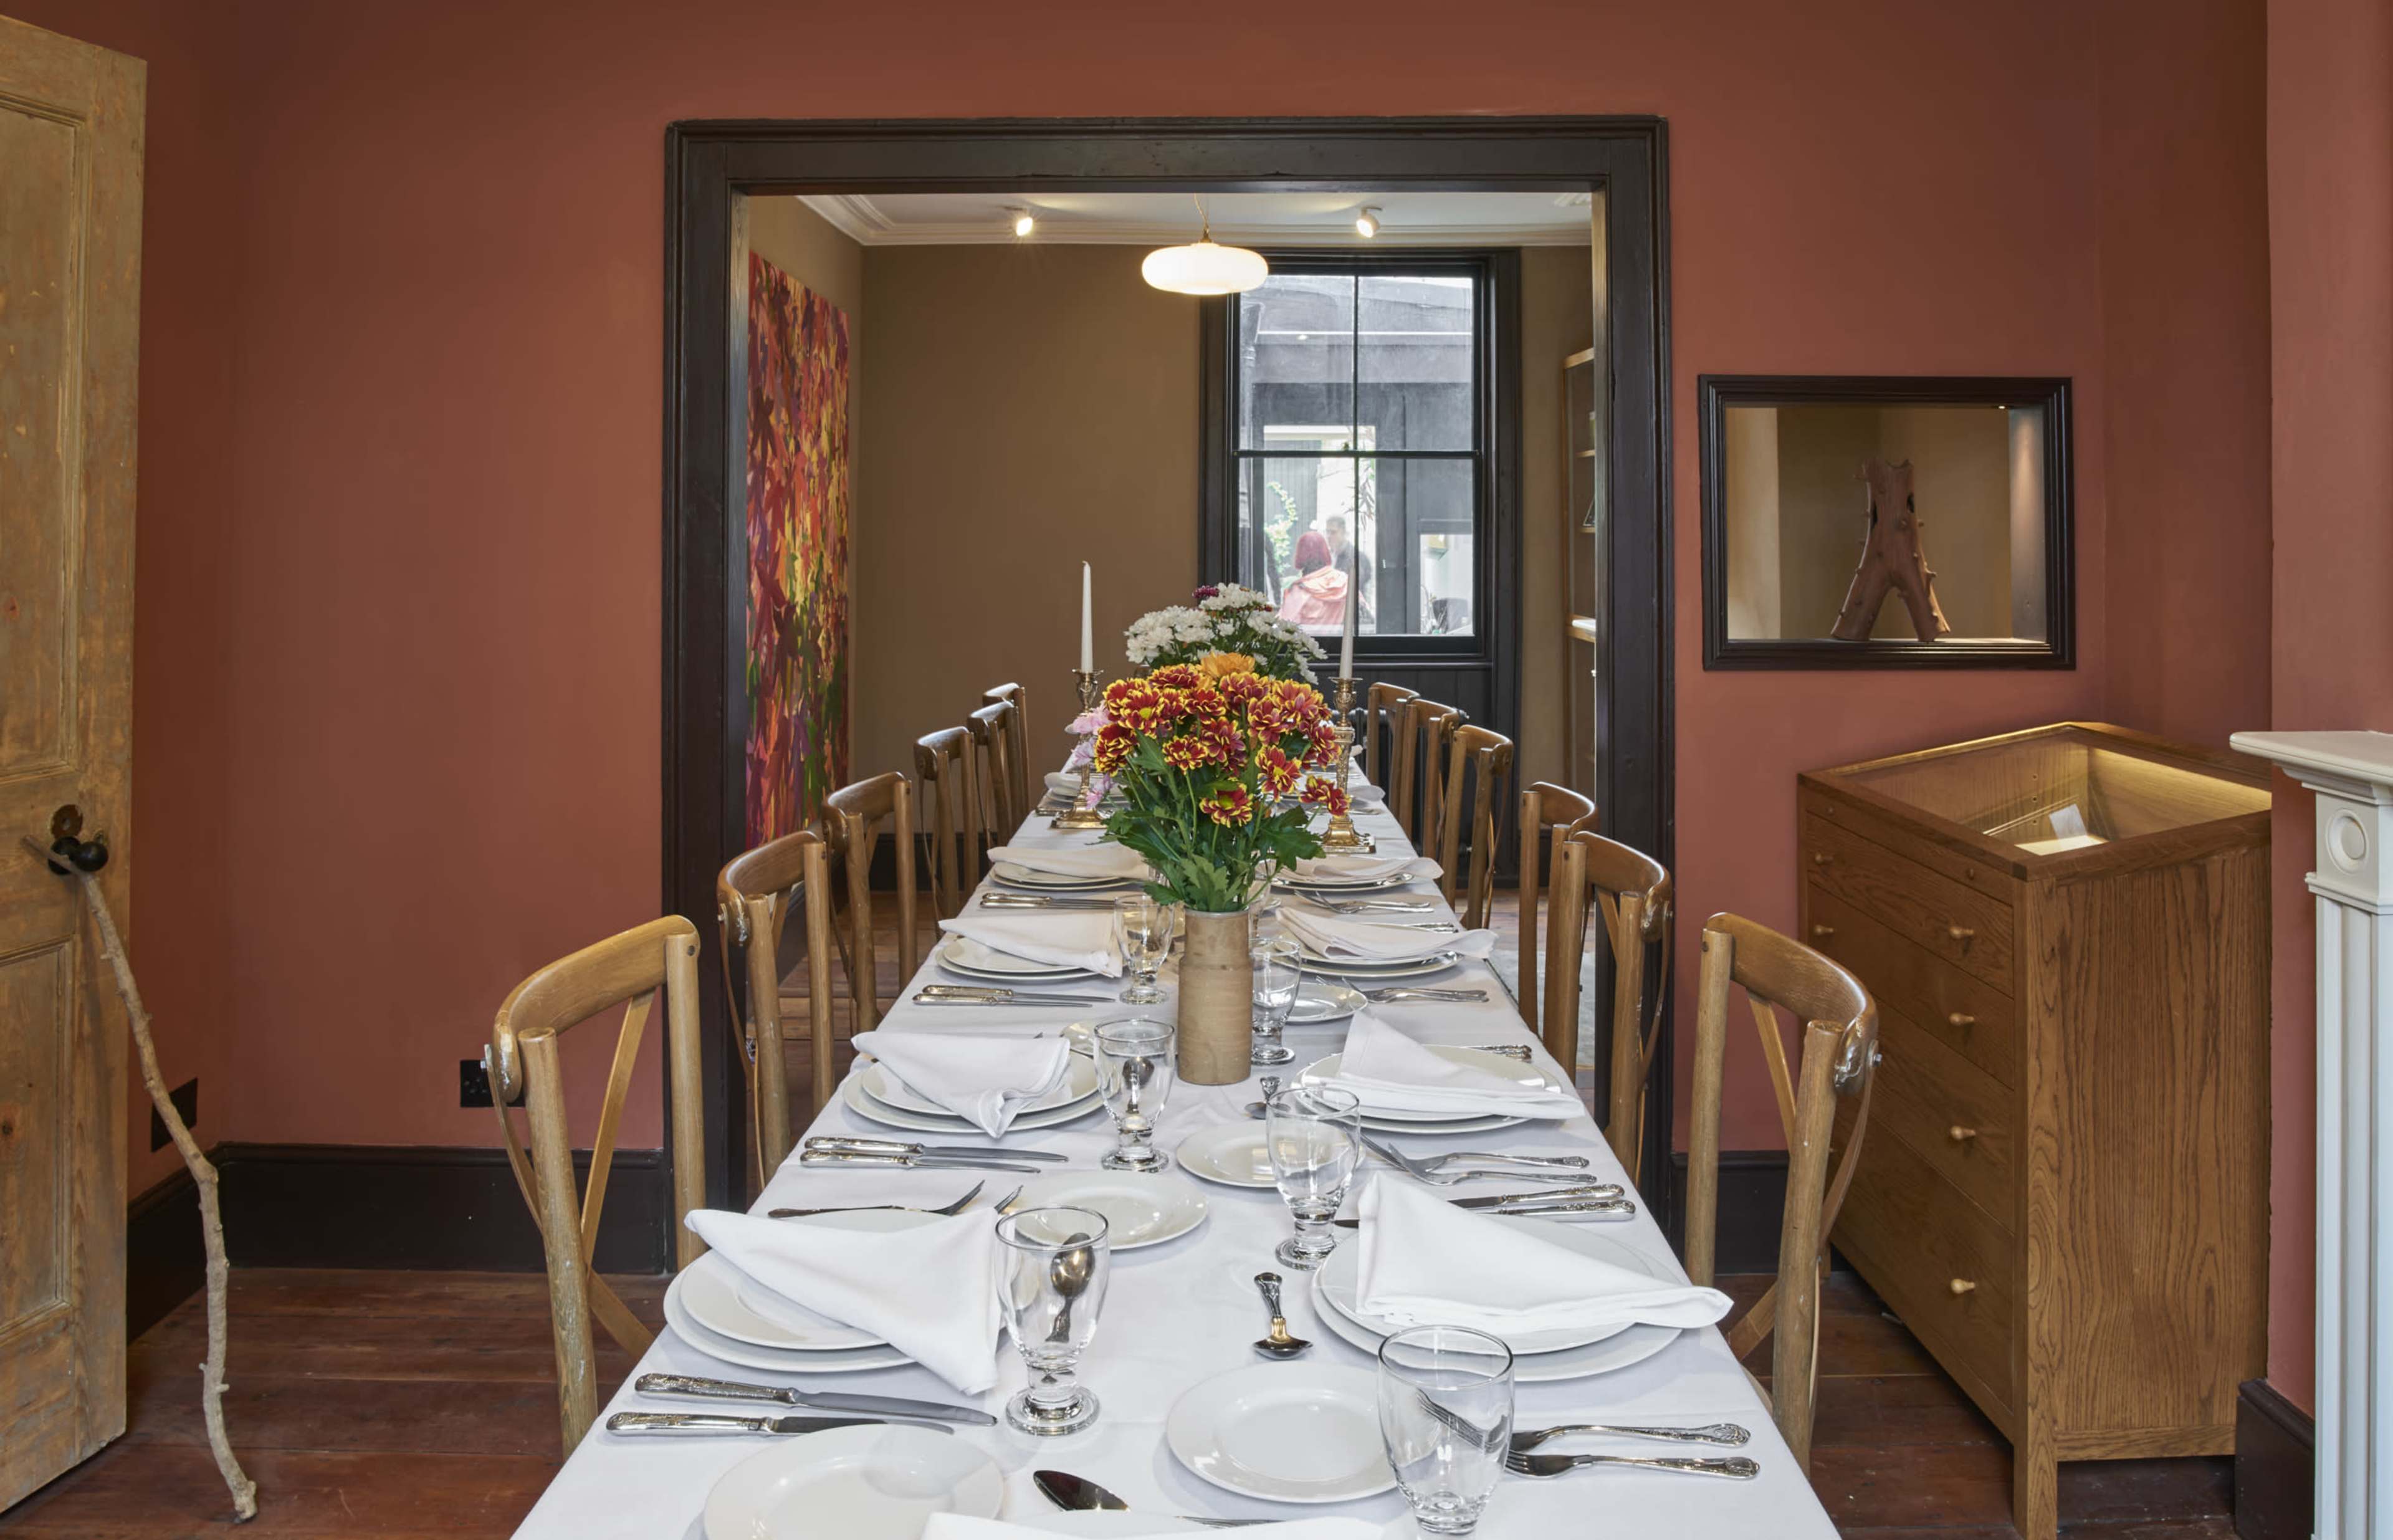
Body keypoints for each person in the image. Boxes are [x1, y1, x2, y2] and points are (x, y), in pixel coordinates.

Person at [1276, 528, 1349, 629]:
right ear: (1325, 551)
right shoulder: (1345, 581)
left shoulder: (1298, 591)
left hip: (1311, 644)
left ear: (1300, 554)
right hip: (1345, 643)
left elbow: (1284, 628)